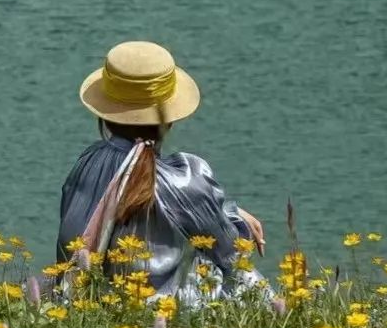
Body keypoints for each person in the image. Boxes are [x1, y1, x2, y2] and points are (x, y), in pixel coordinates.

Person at [56, 40, 265, 301]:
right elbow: (232, 254)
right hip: (167, 319)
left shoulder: (87, 162)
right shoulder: (187, 178)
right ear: (170, 118)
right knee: (242, 277)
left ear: (105, 114)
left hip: (94, 308)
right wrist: (236, 218)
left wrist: (229, 211)